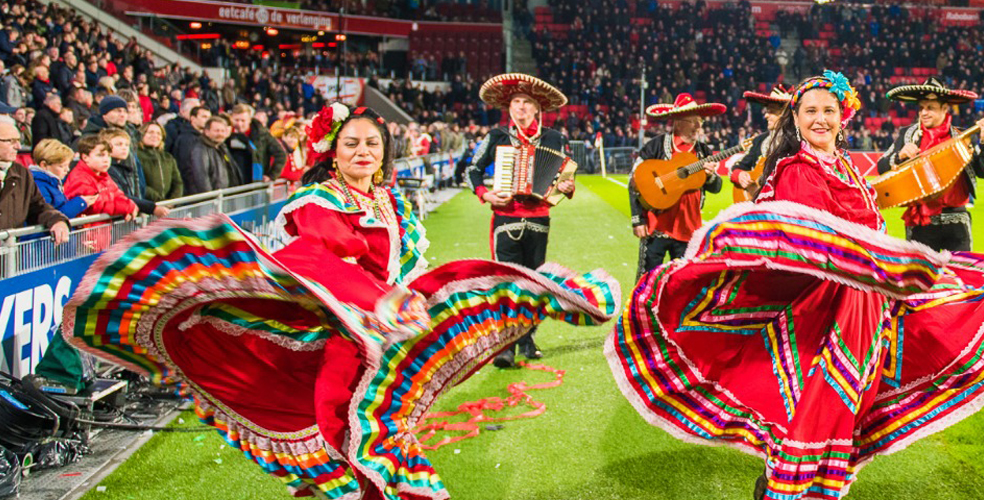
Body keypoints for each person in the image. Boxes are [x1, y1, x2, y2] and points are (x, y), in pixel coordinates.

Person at [63, 103, 618, 500]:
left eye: (372, 144)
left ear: (383, 154)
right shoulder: (318, 199)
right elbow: (316, 259)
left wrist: (400, 297)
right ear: (333, 152)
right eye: (351, 142)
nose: (362, 151)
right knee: (355, 434)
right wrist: (376, 302)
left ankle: (551, 298)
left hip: (381, 329)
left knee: (459, 302)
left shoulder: (387, 197)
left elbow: (401, 266)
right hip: (345, 331)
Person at [606, 71, 984, 500]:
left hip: (865, 306)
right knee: (814, 402)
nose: (821, 119)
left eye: (829, 110)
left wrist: (893, 266)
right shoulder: (796, 169)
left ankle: (795, 480)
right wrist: (888, 263)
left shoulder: (851, 168)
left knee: (842, 403)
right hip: (816, 307)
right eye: (811, 111)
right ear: (795, 119)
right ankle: (784, 485)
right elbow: (805, 242)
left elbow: (869, 228)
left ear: (844, 115)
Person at [466, 73, 576, 367]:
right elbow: (471, 170)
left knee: (534, 284)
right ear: (509, 107)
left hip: (540, 220)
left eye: (527, 102)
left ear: (538, 108)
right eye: (516, 102)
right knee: (506, 283)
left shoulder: (554, 138)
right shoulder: (497, 137)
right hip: (506, 219)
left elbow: (565, 178)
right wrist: (485, 194)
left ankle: (527, 340)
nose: (521, 108)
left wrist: (567, 187)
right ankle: (504, 347)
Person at [878, 77, 984, 251]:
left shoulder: (961, 137)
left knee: (959, 276)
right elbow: (882, 167)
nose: (924, 113)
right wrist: (900, 155)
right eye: (921, 108)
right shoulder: (908, 135)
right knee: (919, 278)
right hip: (921, 224)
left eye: (930, 108)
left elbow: (983, 171)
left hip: (957, 222)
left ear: (944, 109)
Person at [627, 93, 725, 277]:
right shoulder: (654, 146)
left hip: (689, 229)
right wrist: (637, 219)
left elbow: (716, 187)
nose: (698, 126)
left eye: (700, 121)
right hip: (656, 226)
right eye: (693, 121)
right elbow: (634, 182)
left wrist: (710, 176)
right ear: (678, 121)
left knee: (682, 281)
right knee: (647, 279)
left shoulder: (704, 151)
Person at [0, 118, 69, 243]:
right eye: (11, 141)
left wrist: (57, 220)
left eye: (18, 141)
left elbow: (38, 207)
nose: (18, 146)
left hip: (9, 256)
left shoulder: (22, 173)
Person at [729, 83, 790, 199]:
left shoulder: (799, 141)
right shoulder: (759, 140)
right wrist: (739, 175)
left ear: (785, 113)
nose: (766, 115)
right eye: (767, 111)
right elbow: (737, 167)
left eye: (771, 111)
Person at [30, 138, 96, 218]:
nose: (67, 170)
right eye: (61, 166)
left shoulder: (53, 183)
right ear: (44, 165)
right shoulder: (39, 186)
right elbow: (48, 217)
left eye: (67, 165)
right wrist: (79, 203)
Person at [136, 122, 183, 202]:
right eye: (151, 132)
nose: (155, 136)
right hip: (147, 206)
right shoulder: (136, 155)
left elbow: (178, 183)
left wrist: (172, 201)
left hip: (168, 207)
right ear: (142, 134)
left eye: (159, 133)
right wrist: (160, 201)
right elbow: (139, 183)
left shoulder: (168, 157)